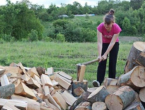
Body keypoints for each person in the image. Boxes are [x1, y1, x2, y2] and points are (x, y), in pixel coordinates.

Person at [93, 9, 122, 87]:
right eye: (105, 24)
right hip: (104, 43)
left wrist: (106, 54)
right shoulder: (100, 27)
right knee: (101, 62)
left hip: (114, 44)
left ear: (112, 23)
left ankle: (111, 81)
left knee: (112, 62)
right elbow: (99, 42)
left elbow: (112, 42)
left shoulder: (116, 28)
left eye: (108, 25)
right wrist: (100, 55)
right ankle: (98, 81)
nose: (106, 26)